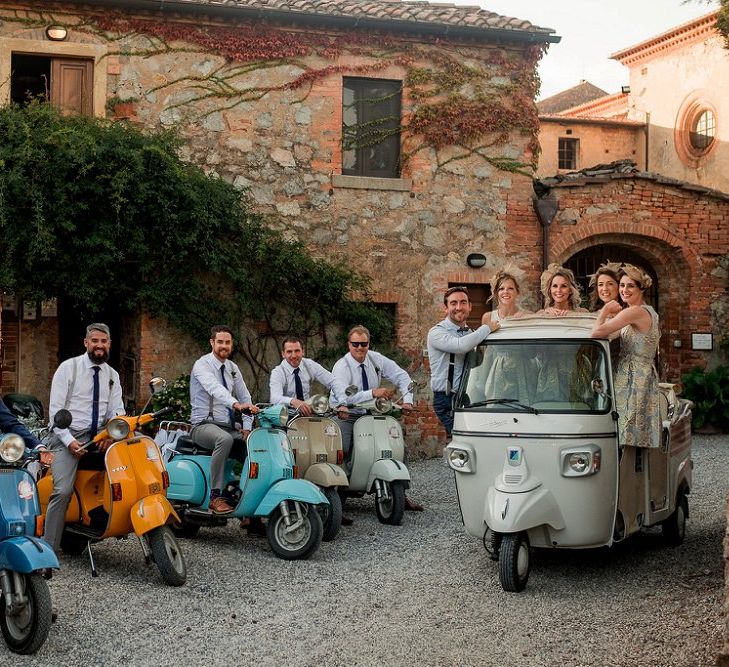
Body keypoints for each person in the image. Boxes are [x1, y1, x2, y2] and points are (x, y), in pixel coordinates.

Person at [44, 323, 124, 552]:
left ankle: (106, 517)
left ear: (109, 344)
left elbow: (117, 410)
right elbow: (55, 413)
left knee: (130, 460)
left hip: (99, 435)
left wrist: (111, 431)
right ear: (86, 343)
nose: (99, 345)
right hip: (65, 436)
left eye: (104, 341)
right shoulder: (68, 368)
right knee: (62, 491)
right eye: (95, 341)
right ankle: (48, 550)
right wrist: (69, 441)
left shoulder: (112, 375)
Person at [330, 325, 423, 512]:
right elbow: (344, 396)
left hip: (372, 413)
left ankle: (400, 493)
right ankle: (337, 500)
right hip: (347, 414)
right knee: (342, 448)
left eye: (363, 344)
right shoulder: (342, 366)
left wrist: (408, 400)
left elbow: (401, 376)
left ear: (368, 344)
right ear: (348, 344)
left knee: (398, 448)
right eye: (355, 343)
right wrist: (372, 392)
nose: (359, 348)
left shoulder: (376, 359)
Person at [190, 325, 258, 513]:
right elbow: (214, 388)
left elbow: (245, 397)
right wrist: (235, 404)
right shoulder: (202, 365)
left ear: (232, 344)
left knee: (253, 447)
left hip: (227, 426)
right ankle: (215, 496)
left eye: (227, 342)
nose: (224, 346)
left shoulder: (232, 368)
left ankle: (248, 503)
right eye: (220, 342)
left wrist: (247, 427)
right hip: (202, 426)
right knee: (224, 439)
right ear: (212, 342)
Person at [591, 264, 660, 448]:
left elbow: (597, 333)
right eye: (621, 285)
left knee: (624, 432)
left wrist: (605, 311)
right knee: (629, 434)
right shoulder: (647, 311)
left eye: (630, 286)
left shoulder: (635, 311)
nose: (624, 290)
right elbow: (612, 334)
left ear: (641, 288)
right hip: (640, 375)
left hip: (633, 378)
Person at [427, 286, 500, 436]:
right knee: (461, 439)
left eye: (463, 302)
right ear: (445, 308)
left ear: (470, 306)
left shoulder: (472, 334)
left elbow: (478, 363)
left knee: (474, 441)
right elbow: (460, 346)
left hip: (468, 396)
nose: (459, 307)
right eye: (453, 303)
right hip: (447, 398)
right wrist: (486, 328)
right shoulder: (436, 332)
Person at [269, 336, 348, 416]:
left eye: (297, 351)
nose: (293, 355)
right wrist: (293, 401)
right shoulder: (278, 372)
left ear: (302, 352)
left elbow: (332, 381)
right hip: (285, 417)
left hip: (308, 415)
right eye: (289, 351)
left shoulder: (309, 365)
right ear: (283, 354)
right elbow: (275, 398)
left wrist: (342, 403)